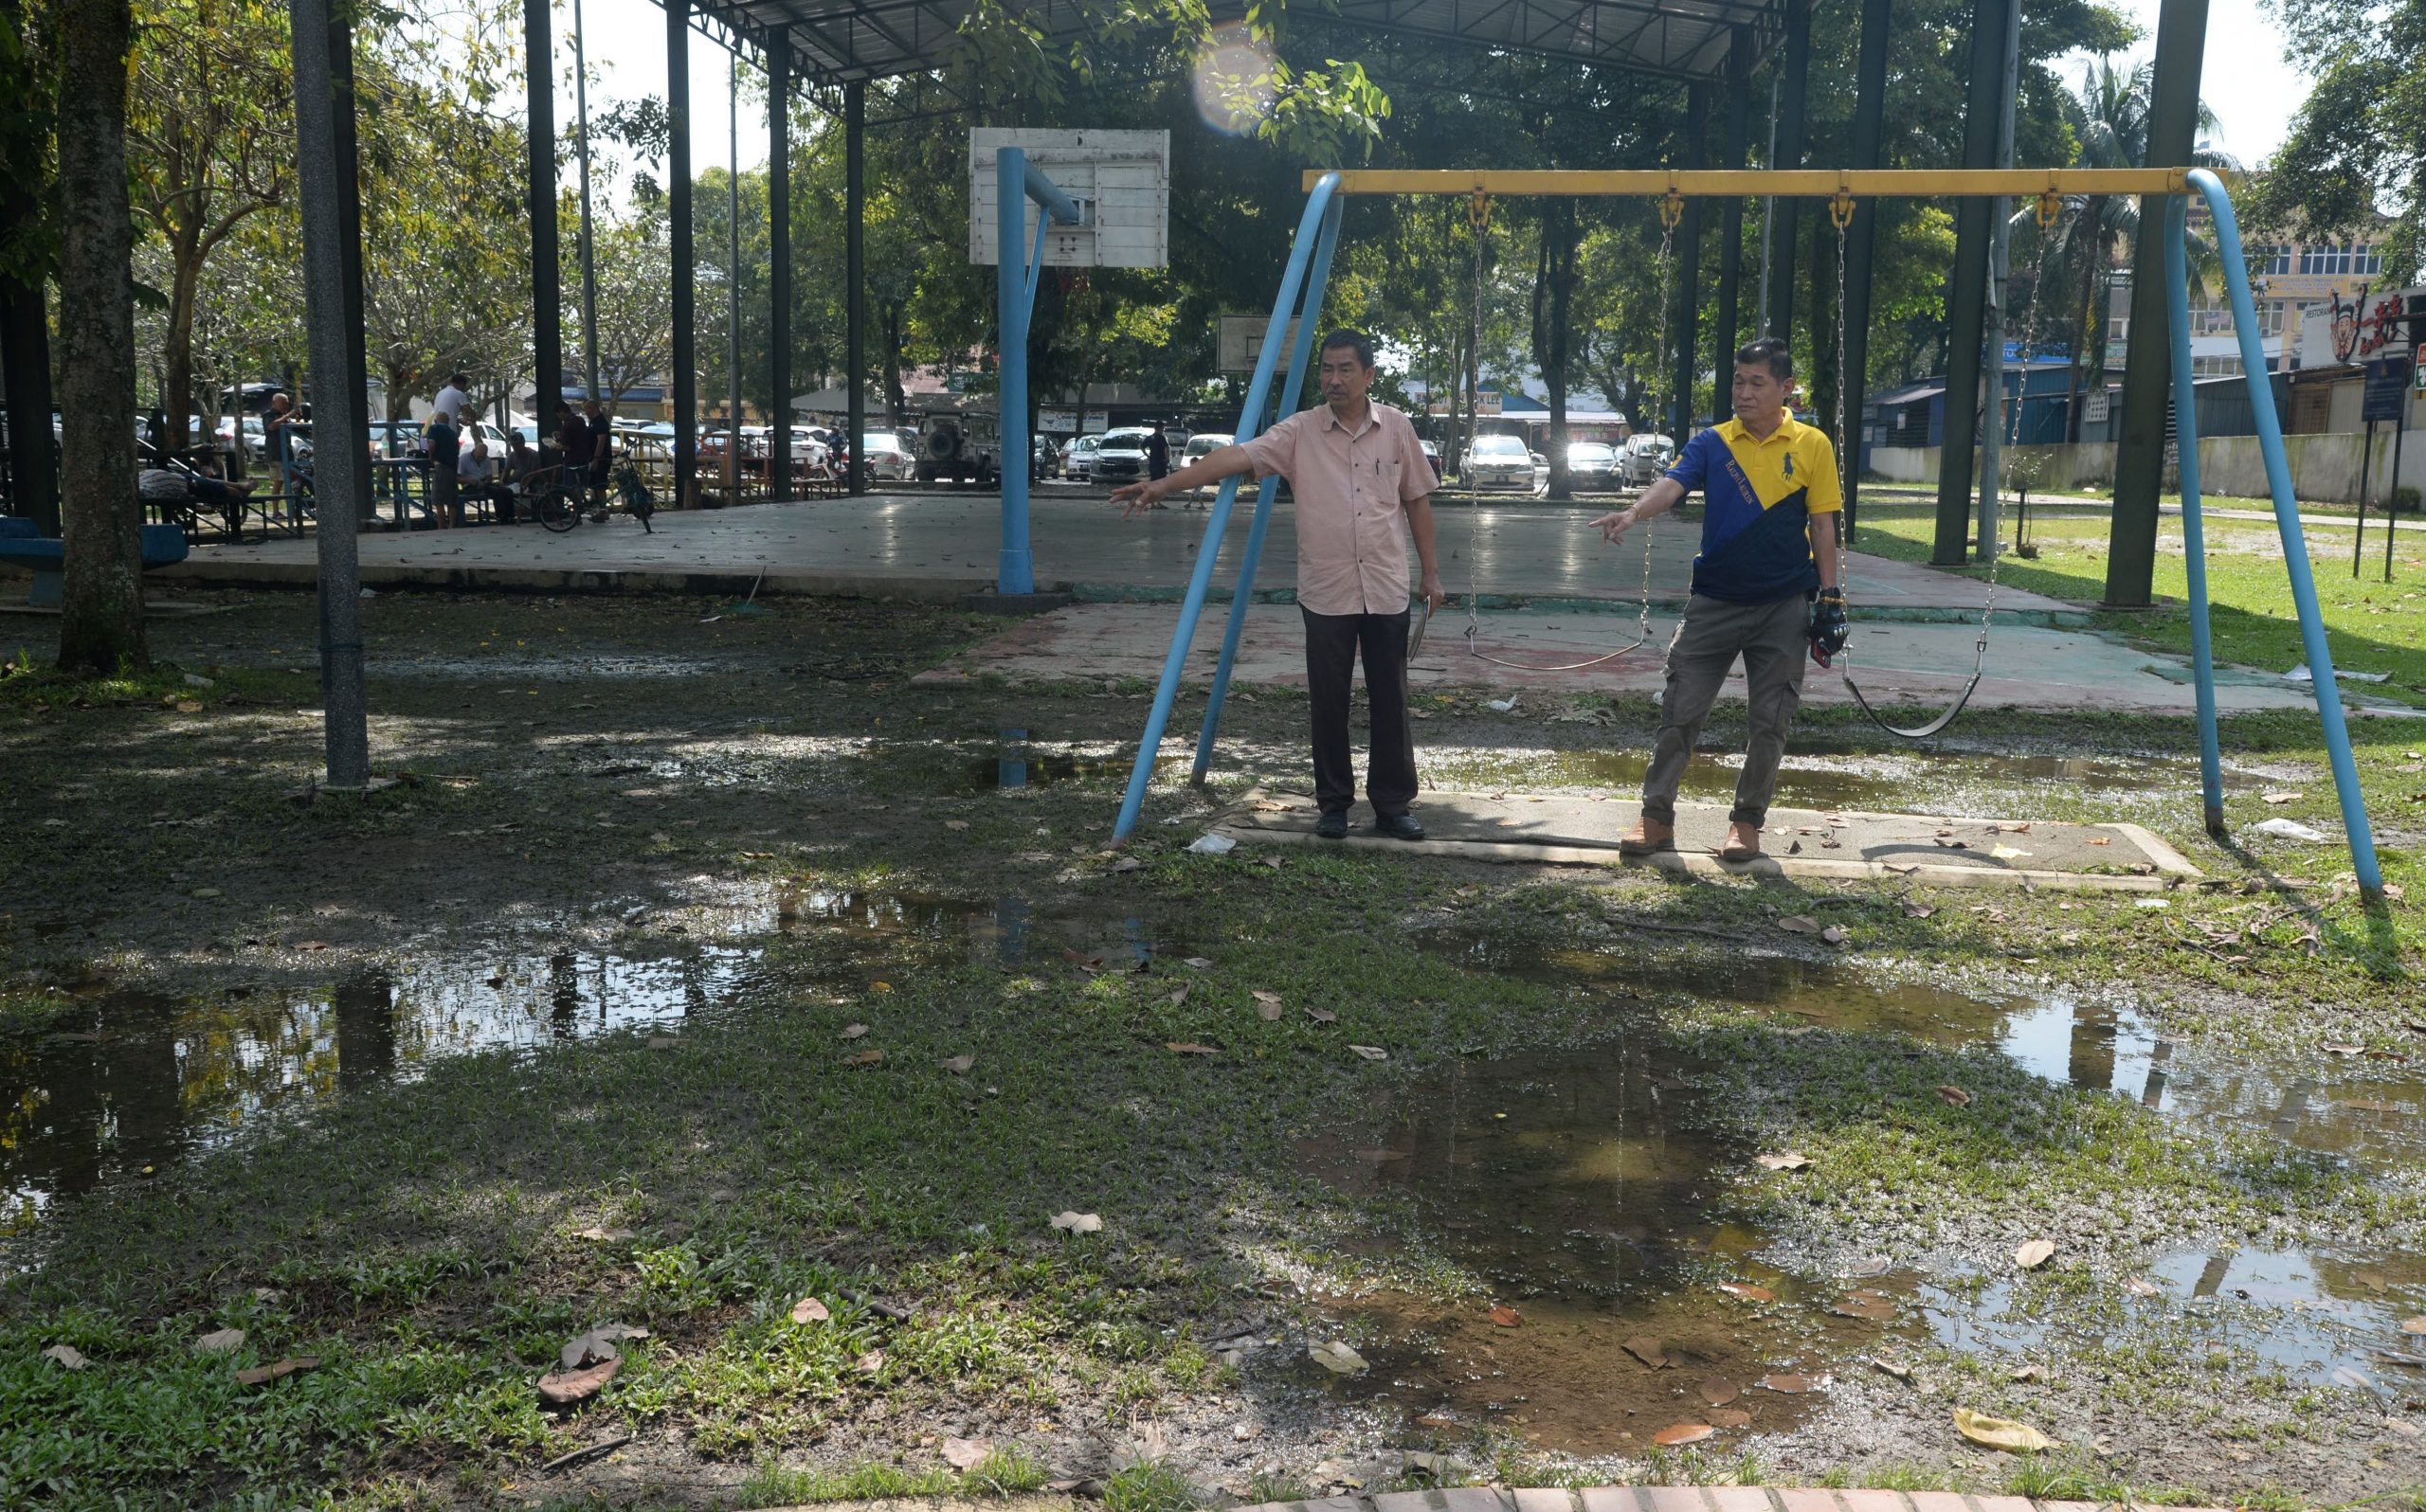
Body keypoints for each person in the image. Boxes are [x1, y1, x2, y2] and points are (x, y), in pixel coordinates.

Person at [1113, 330, 1445, 841]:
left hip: (1385, 586)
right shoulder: (1300, 432)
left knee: (1391, 699)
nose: (1334, 380)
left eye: (1345, 370)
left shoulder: (1397, 428)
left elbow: (1417, 500)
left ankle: (1393, 805)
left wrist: (1432, 573)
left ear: (1369, 375)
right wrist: (1162, 486)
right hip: (1327, 589)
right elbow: (1236, 458)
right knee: (1328, 701)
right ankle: (1333, 804)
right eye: (1327, 370)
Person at [1592, 335, 1845, 864]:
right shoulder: (1713, 442)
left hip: (1784, 605)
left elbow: (1823, 526)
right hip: (1713, 602)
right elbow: (1671, 485)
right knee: (1680, 710)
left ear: (1786, 389)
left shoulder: (1813, 445)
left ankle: (1747, 825)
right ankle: (1656, 819)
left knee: (1770, 721)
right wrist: (1634, 513)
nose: (1744, 392)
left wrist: (1830, 597)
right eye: (1738, 381)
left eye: (1757, 382)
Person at [459, 423, 514, 523]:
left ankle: (510, 515)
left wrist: (486, 482)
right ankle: (502, 517)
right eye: (478, 457)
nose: (480, 459)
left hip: (484, 483)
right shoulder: (464, 459)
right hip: (470, 485)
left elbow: (489, 475)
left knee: (507, 491)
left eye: (482, 457)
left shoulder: (487, 459)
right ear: (474, 451)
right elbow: (457, 477)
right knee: (496, 492)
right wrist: (469, 481)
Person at [425, 407, 462, 529]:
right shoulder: (453, 433)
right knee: (451, 501)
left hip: (441, 466)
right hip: (452, 467)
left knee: (438, 499)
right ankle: (452, 526)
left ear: (436, 420)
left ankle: (441, 527)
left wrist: (431, 458)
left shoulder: (434, 429)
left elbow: (431, 444)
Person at [584, 399, 613, 499]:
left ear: (591, 408)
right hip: (593, 458)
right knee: (594, 485)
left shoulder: (600, 422)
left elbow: (601, 441)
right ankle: (596, 507)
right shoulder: (593, 422)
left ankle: (602, 509)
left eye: (586, 410)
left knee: (600, 486)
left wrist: (596, 458)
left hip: (601, 459)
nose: (585, 413)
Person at [1144, 421, 1171, 486]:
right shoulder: (1162, 438)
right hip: (1160, 463)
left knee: (1153, 481)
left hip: (1152, 462)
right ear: (1161, 428)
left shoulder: (1149, 438)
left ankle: (1153, 494)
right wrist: (1167, 459)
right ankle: (1160, 495)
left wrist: (1147, 455)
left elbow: (1141, 446)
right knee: (1161, 482)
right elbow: (1166, 448)